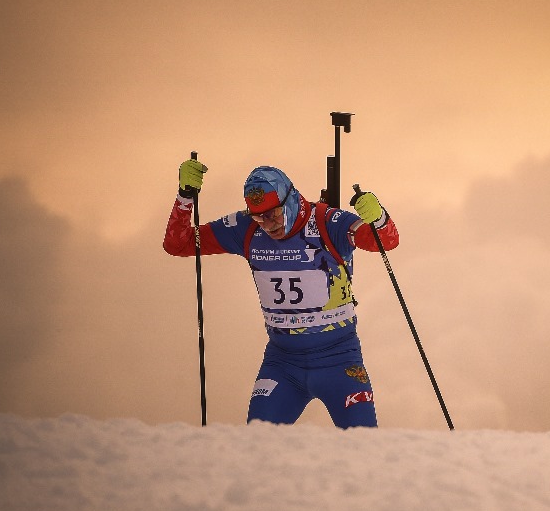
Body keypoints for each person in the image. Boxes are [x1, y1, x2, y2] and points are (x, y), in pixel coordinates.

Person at [163, 157, 399, 428]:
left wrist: (378, 218)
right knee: (257, 446)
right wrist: (185, 197)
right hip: (283, 365)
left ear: (291, 198)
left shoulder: (327, 222)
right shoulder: (246, 228)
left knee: (364, 444)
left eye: (273, 213)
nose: (267, 223)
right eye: (258, 216)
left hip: (339, 361)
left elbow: (387, 241)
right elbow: (177, 244)